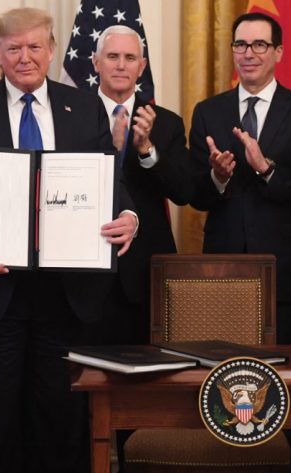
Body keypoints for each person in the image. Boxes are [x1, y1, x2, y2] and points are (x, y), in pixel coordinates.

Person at [0, 8, 137, 473]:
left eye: (35, 47)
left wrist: (127, 214)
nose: (26, 57)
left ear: (51, 50)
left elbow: (109, 179)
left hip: (65, 291)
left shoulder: (82, 106)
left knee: (59, 417)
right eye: (14, 48)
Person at [189, 13, 291, 472]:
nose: (249, 53)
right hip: (222, 277)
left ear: (279, 53)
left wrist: (266, 169)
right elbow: (194, 193)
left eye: (260, 45)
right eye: (241, 45)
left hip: (286, 278)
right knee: (225, 391)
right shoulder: (209, 110)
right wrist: (217, 177)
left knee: (290, 396)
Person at [90, 24, 191, 345]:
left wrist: (146, 149)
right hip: (85, 266)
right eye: (113, 56)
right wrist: (112, 148)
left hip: (145, 269)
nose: (121, 65)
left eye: (130, 57)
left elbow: (182, 191)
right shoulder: (69, 113)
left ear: (142, 67)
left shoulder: (167, 122)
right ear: (95, 62)